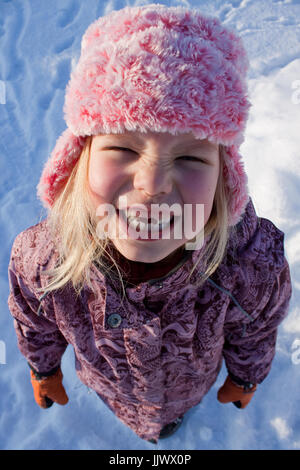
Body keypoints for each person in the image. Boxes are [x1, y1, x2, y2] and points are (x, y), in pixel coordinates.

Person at [7, 4, 292, 444]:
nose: (153, 184)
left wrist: (247, 376)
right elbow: (34, 322)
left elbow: (256, 330)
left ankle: (173, 423)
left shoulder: (251, 266)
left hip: (190, 388)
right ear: (76, 159)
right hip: (111, 389)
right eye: (122, 149)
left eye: (190, 157)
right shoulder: (43, 262)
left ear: (225, 176)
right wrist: (42, 368)